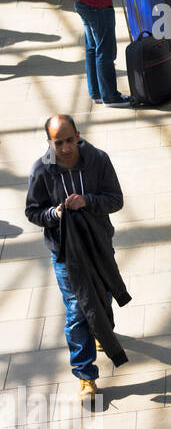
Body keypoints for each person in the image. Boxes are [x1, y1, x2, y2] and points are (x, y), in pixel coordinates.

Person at [24, 115, 125, 403]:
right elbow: (33, 212)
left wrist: (87, 201)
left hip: (99, 246)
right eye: (59, 142)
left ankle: (101, 331)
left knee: (103, 296)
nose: (66, 148)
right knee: (77, 310)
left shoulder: (98, 160)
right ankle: (85, 375)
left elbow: (115, 200)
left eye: (70, 140)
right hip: (66, 253)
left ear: (78, 135)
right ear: (49, 142)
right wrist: (54, 215)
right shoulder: (41, 171)